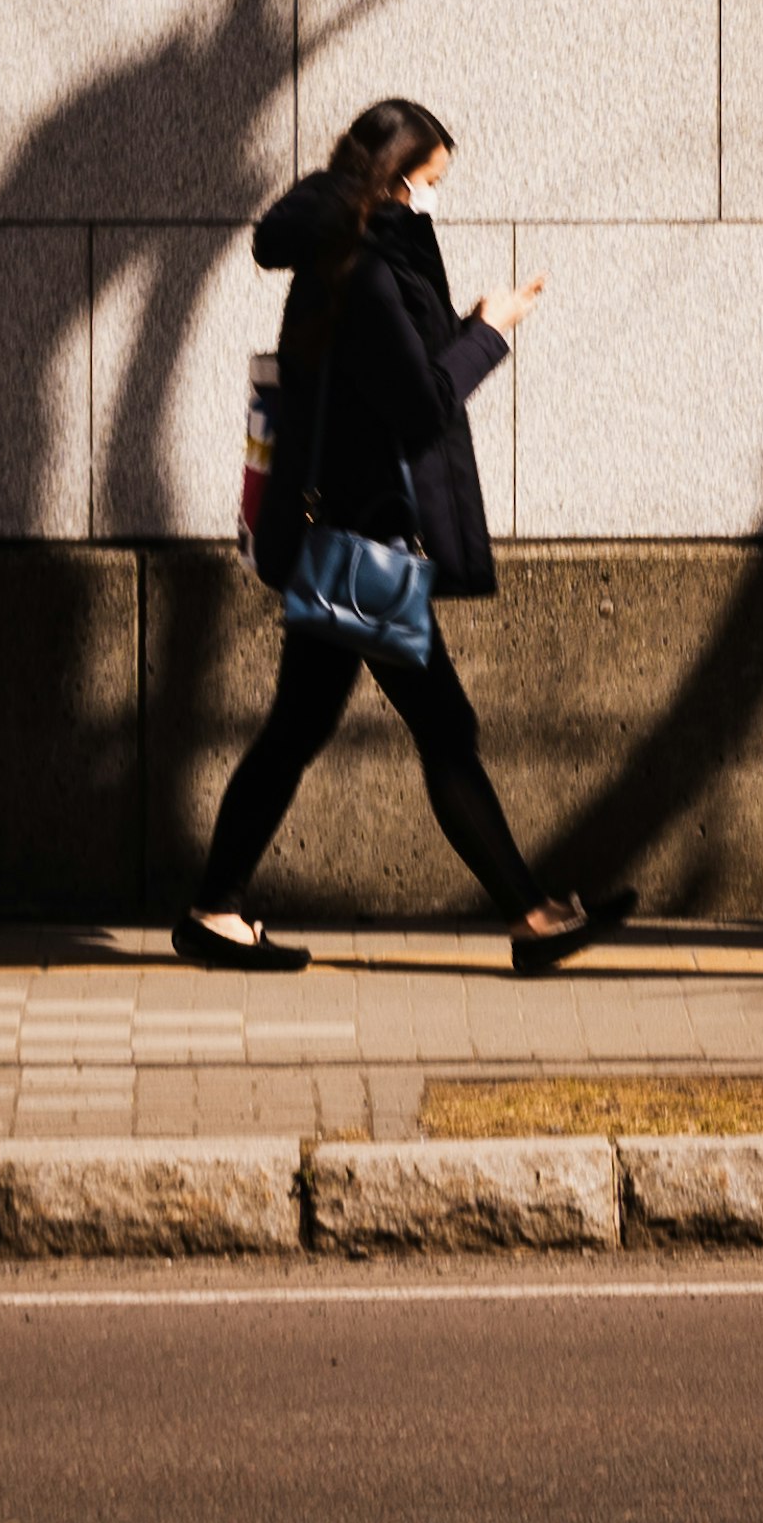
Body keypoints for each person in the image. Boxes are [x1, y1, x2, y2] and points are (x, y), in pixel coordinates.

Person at [177, 96, 621, 978]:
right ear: (392, 181)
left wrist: (465, 328)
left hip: (344, 534)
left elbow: (389, 384)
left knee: (304, 729)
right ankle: (532, 919)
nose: (432, 202)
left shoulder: (341, 261)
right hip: (363, 540)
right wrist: (490, 335)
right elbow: (418, 410)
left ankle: (215, 911)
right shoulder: (366, 271)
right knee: (436, 727)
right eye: (428, 184)